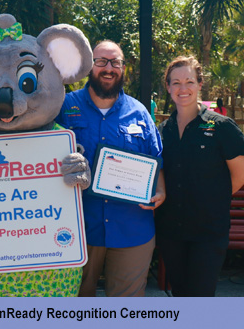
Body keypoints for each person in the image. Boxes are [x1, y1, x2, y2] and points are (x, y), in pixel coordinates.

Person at [55, 40, 166, 297]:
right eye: (101, 61)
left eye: (115, 62)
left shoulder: (139, 113)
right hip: (76, 228)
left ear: (123, 68)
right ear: (89, 66)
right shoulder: (63, 107)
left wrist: (161, 192)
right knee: (75, 302)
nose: (109, 68)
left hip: (131, 229)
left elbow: (157, 162)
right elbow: (31, 143)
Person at [155, 56, 244, 297]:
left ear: (199, 84)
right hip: (172, 231)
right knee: (180, 294)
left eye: (189, 81)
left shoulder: (222, 128)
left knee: (200, 297)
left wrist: (210, 200)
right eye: (175, 83)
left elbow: (242, 175)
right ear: (168, 87)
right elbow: (161, 172)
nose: (183, 88)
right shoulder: (162, 131)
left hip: (207, 233)